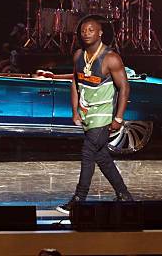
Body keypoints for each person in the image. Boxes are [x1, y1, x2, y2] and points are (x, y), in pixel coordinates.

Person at [56, 15, 133, 214]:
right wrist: (75, 111)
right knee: (102, 158)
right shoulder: (78, 55)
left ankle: (79, 199)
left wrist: (118, 118)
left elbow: (124, 88)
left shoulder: (110, 58)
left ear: (100, 33)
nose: (86, 33)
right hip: (87, 113)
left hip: (103, 115)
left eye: (91, 30)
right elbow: (75, 83)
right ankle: (124, 195)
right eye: (83, 30)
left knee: (88, 153)